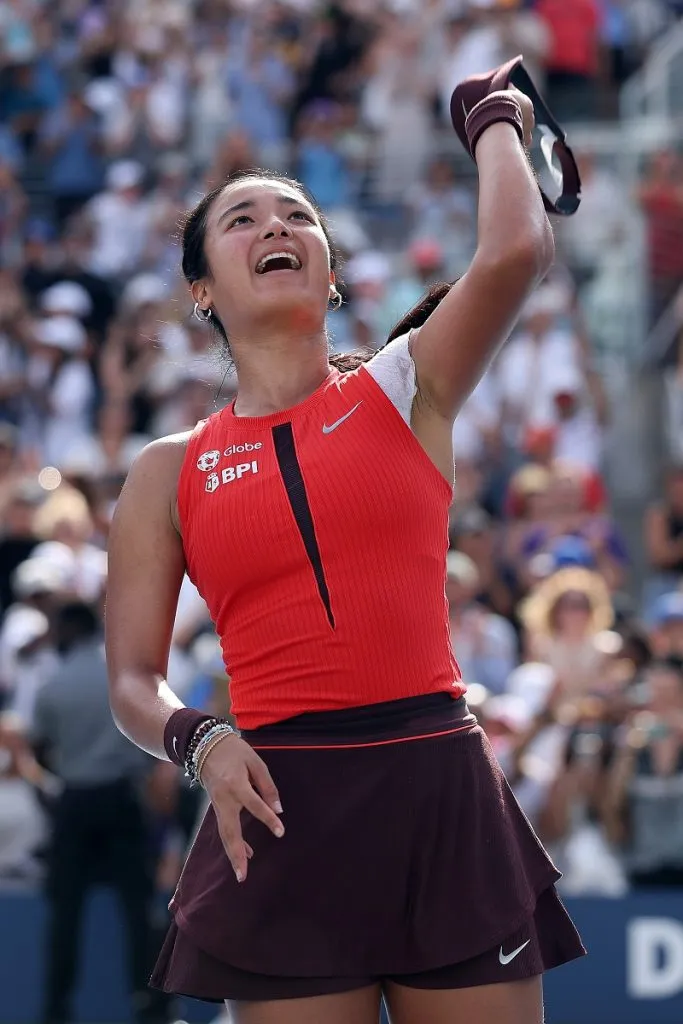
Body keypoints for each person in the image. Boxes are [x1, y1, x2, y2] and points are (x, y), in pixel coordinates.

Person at [106, 67, 585, 1024]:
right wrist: (200, 741)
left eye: (296, 216)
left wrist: (492, 113)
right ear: (202, 290)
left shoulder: (404, 386)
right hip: (281, 804)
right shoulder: (168, 469)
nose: (276, 227)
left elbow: (514, 250)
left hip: (438, 788)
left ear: (329, 272)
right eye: (242, 219)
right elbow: (132, 680)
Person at [32, 601, 170, 1024]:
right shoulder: (118, 680)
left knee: (65, 913)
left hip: (75, 804)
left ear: (67, 632)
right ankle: (150, 1004)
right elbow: (148, 743)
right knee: (137, 909)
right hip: (121, 800)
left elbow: (43, 749)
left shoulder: (52, 686)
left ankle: (57, 1008)